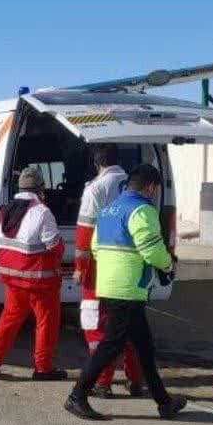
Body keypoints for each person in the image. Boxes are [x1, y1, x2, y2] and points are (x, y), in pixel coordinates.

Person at [65, 164, 187, 420]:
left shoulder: (109, 210)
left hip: (109, 286)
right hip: (128, 289)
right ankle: (77, 395)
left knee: (144, 347)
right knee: (110, 346)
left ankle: (164, 402)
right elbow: (151, 249)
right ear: (151, 187)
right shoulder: (142, 210)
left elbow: (96, 247)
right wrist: (168, 264)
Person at [0, 166, 67, 380]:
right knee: (46, 323)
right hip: (40, 281)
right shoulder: (42, 211)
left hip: (13, 278)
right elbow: (54, 247)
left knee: (9, 319)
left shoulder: (6, 210)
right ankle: (43, 368)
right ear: (40, 188)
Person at [74, 145, 145, 398]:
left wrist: (81, 268)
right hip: (132, 266)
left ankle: (102, 382)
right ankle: (136, 379)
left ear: (96, 163)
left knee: (97, 325)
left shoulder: (95, 188)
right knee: (130, 325)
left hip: (101, 265)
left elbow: (84, 235)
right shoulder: (135, 184)